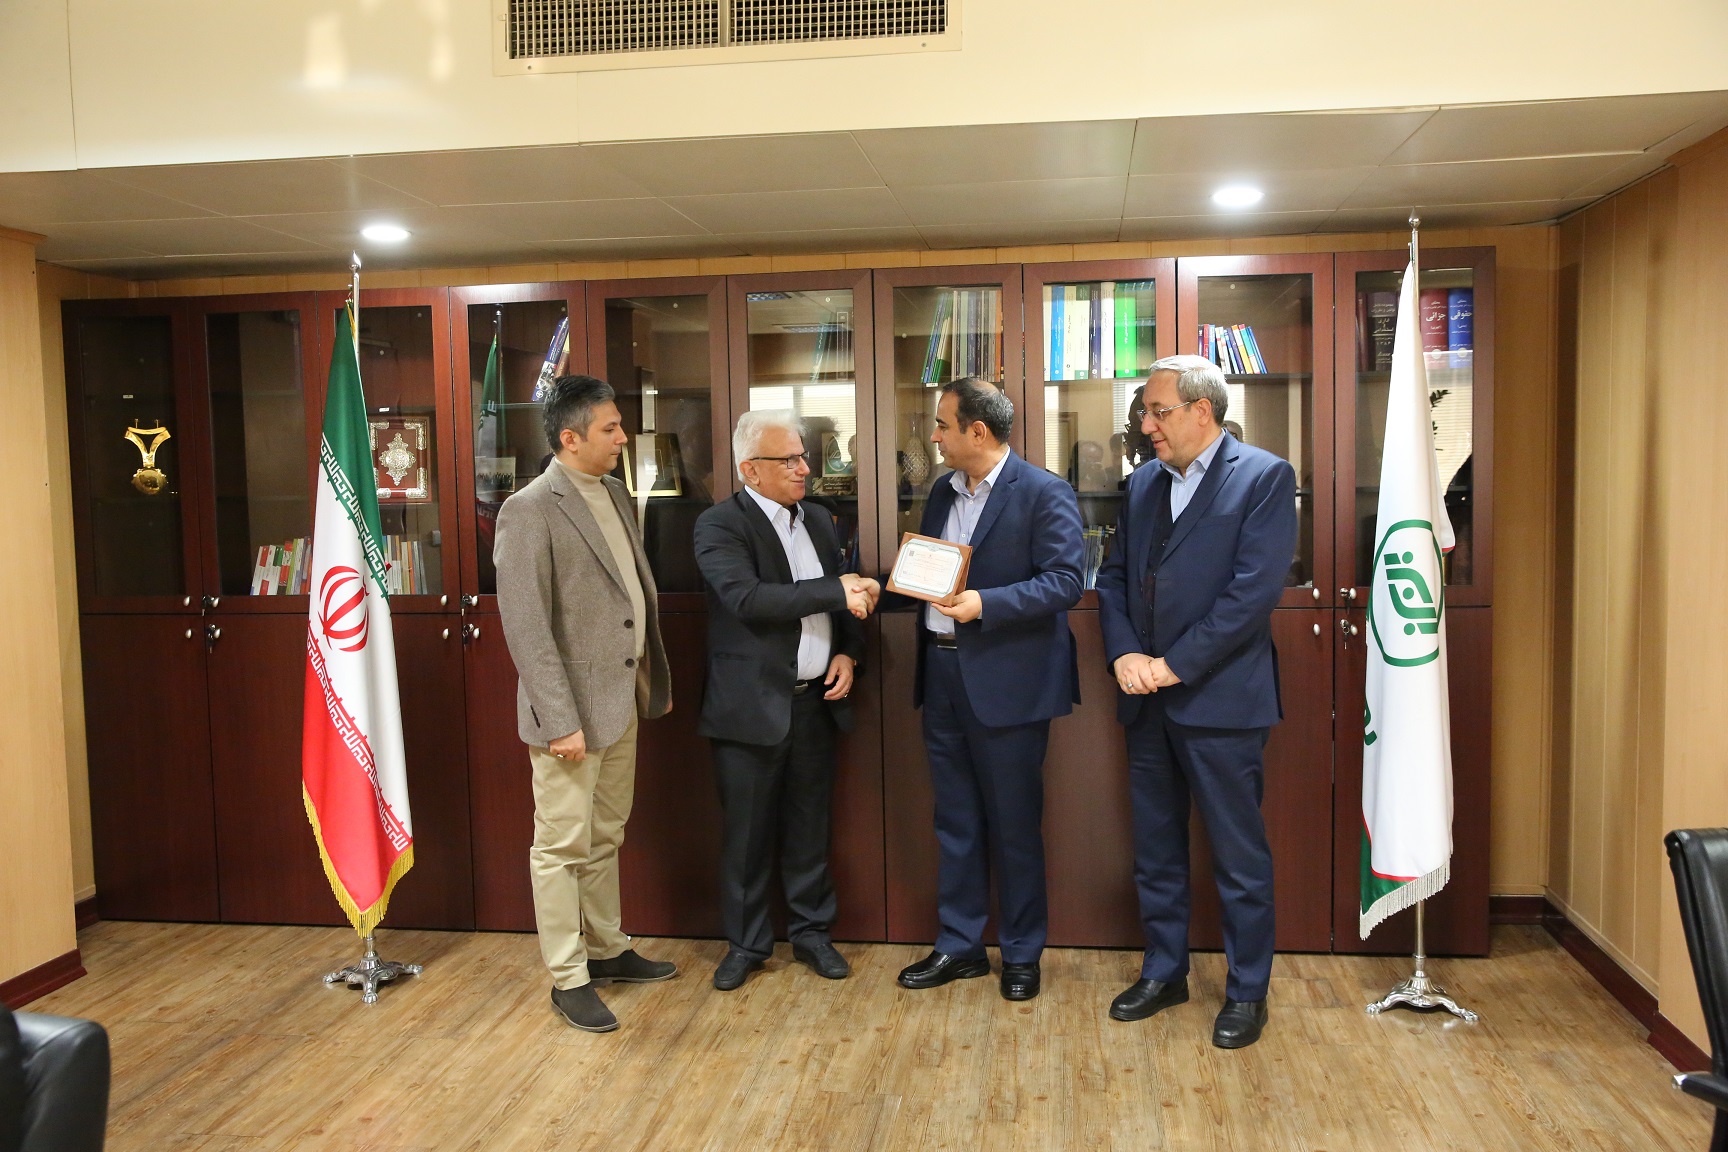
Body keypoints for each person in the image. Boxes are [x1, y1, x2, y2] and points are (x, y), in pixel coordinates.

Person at [1094, 354, 1298, 1050]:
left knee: (1238, 857)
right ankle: (1164, 972)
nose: (1145, 426)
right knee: (1155, 850)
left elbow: (1251, 595)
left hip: (1222, 701)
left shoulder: (1264, 477)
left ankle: (1247, 991)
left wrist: (1171, 667)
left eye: (1158, 412)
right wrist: (1124, 655)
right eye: (1144, 414)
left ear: (1201, 411)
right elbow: (1114, 578)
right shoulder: (1143, 483)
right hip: (1145, 700)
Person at [494, 374, 677, 1034]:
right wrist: (559, 720)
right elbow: (526, 626)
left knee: (605, 835)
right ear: (570, 438)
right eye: (611, 428)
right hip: (570, 715)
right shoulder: (529, 509)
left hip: (621, 700)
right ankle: (568, 977)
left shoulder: (616, 492)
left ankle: (606, 949)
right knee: (561, 845)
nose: (623, 437)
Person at [894, 378, 1084, 1002]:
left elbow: (1065, 582)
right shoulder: (941, 492)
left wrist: (987, 604)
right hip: (942, 675)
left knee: (1013, 824)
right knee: (955, 821)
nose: (934, 436)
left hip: (1009, 682)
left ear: (977, 431)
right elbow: (929, 570)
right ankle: (960, 945)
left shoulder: (1044, 491)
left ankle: (1022, 952)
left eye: (942, 425)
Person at [693, 409, 877, 992]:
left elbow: (841, 602)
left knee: (809, 827)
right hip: (750, 707)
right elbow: (748, 599)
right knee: (746, 836)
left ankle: (812, 934)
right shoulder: (720, 525)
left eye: (803, 457)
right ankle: (746, 945)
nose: (804, 468)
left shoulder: (819, 518)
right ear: (750, 469)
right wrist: (837, 590)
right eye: (790, 459)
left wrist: (848, 652)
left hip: (816, 702)